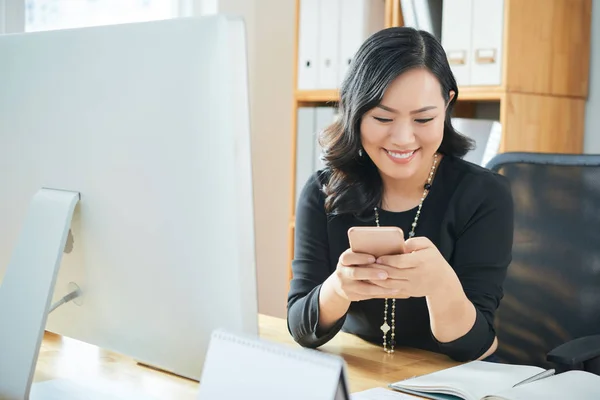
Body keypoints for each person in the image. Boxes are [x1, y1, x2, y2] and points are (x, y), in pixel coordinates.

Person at [286, 26, 514, 362]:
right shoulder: (324, 191)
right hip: (364, 375)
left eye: (423, 119)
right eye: (382, 117)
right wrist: (339, 288)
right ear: (355, 111)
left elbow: (476, 347)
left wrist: (440, 286)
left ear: (447, 104)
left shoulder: (483, 195)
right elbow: (301, 328)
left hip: (448, 382)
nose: (403, 138)